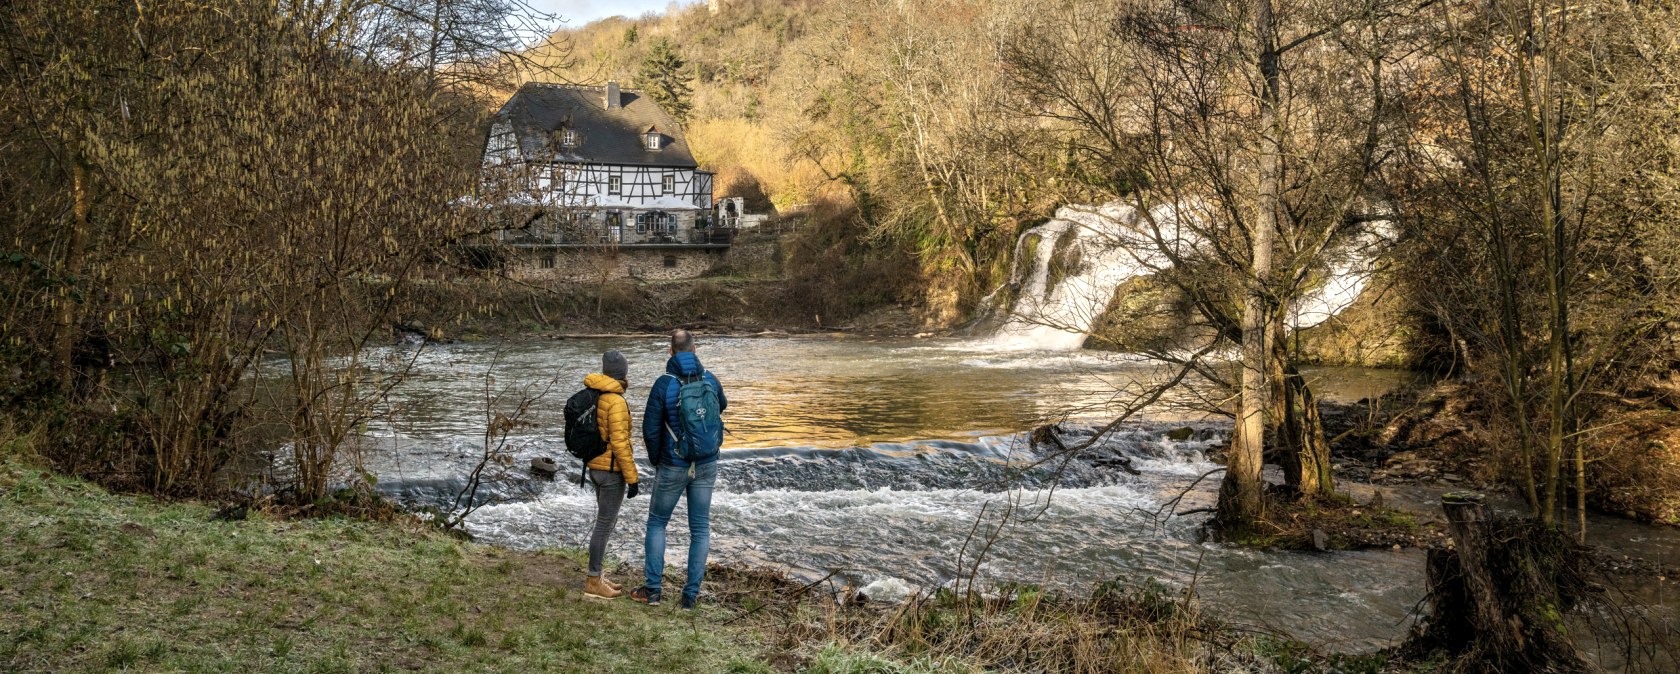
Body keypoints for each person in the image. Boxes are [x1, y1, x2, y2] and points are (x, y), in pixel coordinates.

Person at [630, 329, 727, 609]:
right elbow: (722, 406)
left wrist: (656, 460)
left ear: (670, 352)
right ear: (695, 349)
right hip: (706, 463)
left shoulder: (664, 384)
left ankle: (653, 591)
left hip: (672, 464)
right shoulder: (710, 378)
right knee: (700, 529)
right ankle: (690, 596)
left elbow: (650, 430)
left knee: (657, 523)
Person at [583, 350, 639, 599]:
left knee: (603, 523)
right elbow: (620, 442)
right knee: (604, 525)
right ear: (622, 374)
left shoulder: (595, 395)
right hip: (610, 471)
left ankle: (597, 576)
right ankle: (593, 581)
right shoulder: (615, 401)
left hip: (595, 467)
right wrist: (632, 477)